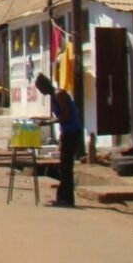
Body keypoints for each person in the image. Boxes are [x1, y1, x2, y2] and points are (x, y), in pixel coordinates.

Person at [34, 73, 81, 207]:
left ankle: (67, 199)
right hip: (67, 132)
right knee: (64, 166)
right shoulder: (54, 96)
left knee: (66, 167)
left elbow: (65, 115)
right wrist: (43, 120)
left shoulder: (59, 95)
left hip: (71, 132)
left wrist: (48, 123)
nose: (40, 91)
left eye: (39, 88)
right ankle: (63, 197)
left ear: (44, 86)